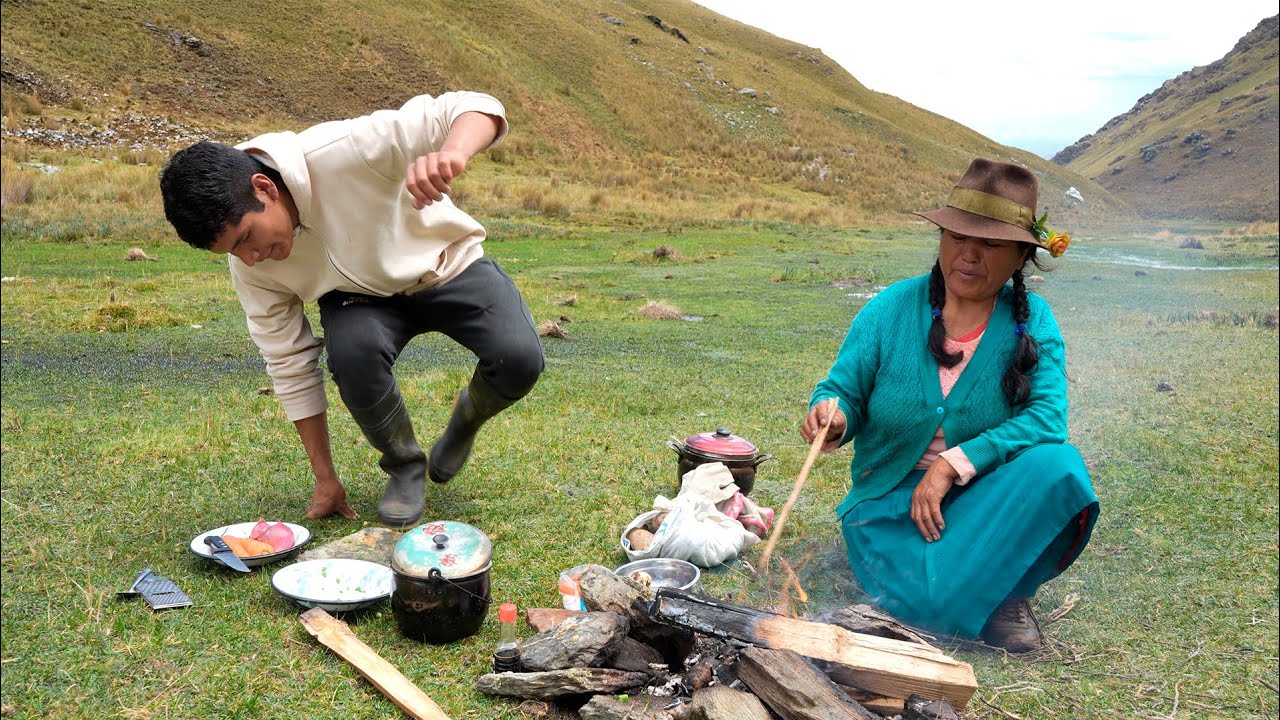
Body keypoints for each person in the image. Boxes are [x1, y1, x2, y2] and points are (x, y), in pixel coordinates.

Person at [159, 92, 544, 528]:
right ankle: (404, 466)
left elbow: (476, 107)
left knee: (520, 359)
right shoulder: (250, 267)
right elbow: (288, 360)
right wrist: (325, 478)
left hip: (445, 265)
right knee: (353, 353)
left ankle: (466, 419)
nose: (250, 258)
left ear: (264, 188)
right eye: (232, 252)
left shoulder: (345, 150)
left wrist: (451, 154)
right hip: (357, 298)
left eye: (247, 237)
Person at [800, 158, 1097, 652]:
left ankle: (1007, 592)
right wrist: (834, 416)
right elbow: (843, 390)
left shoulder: (1033, 321)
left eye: (991, 245)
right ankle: (984, 589)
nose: (970, 255)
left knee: (1059, 466)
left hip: (982, 497)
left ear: (1020, 257)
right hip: (889, 505)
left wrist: (953, 464)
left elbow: (1047, 418)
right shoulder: (889, 309)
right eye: (958, 238)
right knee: (926, 608)